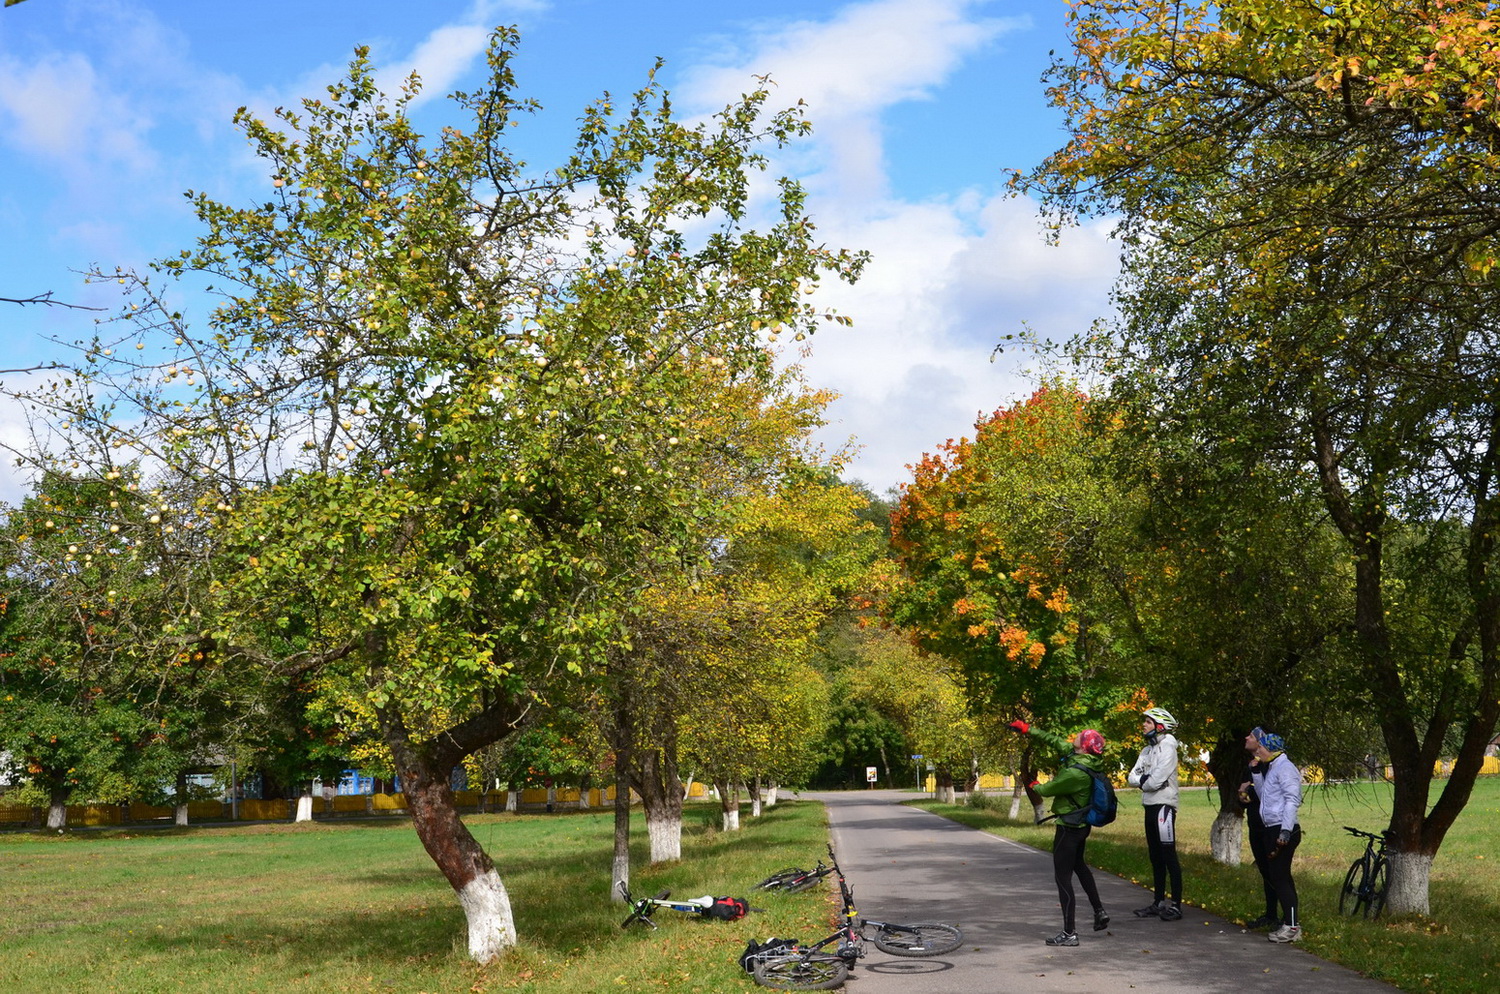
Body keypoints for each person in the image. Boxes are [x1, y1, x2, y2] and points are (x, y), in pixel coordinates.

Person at [1007, 719, 1110, 947]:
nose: (1075, 736)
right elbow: (1053, 740)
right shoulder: (1086, 760)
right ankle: (1099, 911)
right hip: (1081, 825)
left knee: (1062, 878)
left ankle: (1069, 932)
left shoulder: (1075, 774)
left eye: (1080, 735)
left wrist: (1032, 784)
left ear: (1083, 746)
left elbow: (1047, 789)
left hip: (1069, 829)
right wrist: (1028, 729)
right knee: (1080, 867)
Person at [1240, 726, 1303, 943]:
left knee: (1280, 877)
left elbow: (1292, 800)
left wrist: (1285, 830)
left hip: (1282, 829)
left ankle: (1292, 927)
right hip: (1271, 827)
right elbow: (1264, 796)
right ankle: (1290, 922)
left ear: (1271, 750)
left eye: (1262, 748)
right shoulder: (1273, 766)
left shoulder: (1285, 768)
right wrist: (1256, 773)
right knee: (1278, 877)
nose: (1259, 751)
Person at [1127, 706, 1183, 921]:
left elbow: (1157, 779)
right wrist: (1145, 782)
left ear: (1160, 726)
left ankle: (1176, 905)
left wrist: (1145, 781)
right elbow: (1132, 776)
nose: (1143, 725)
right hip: (1149, 806)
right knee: (1155, 856)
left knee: (1169, 856)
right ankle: (1158, 902)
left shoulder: (1168, 748)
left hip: (1164, 807)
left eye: (1148, 722)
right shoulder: (1147, 750)